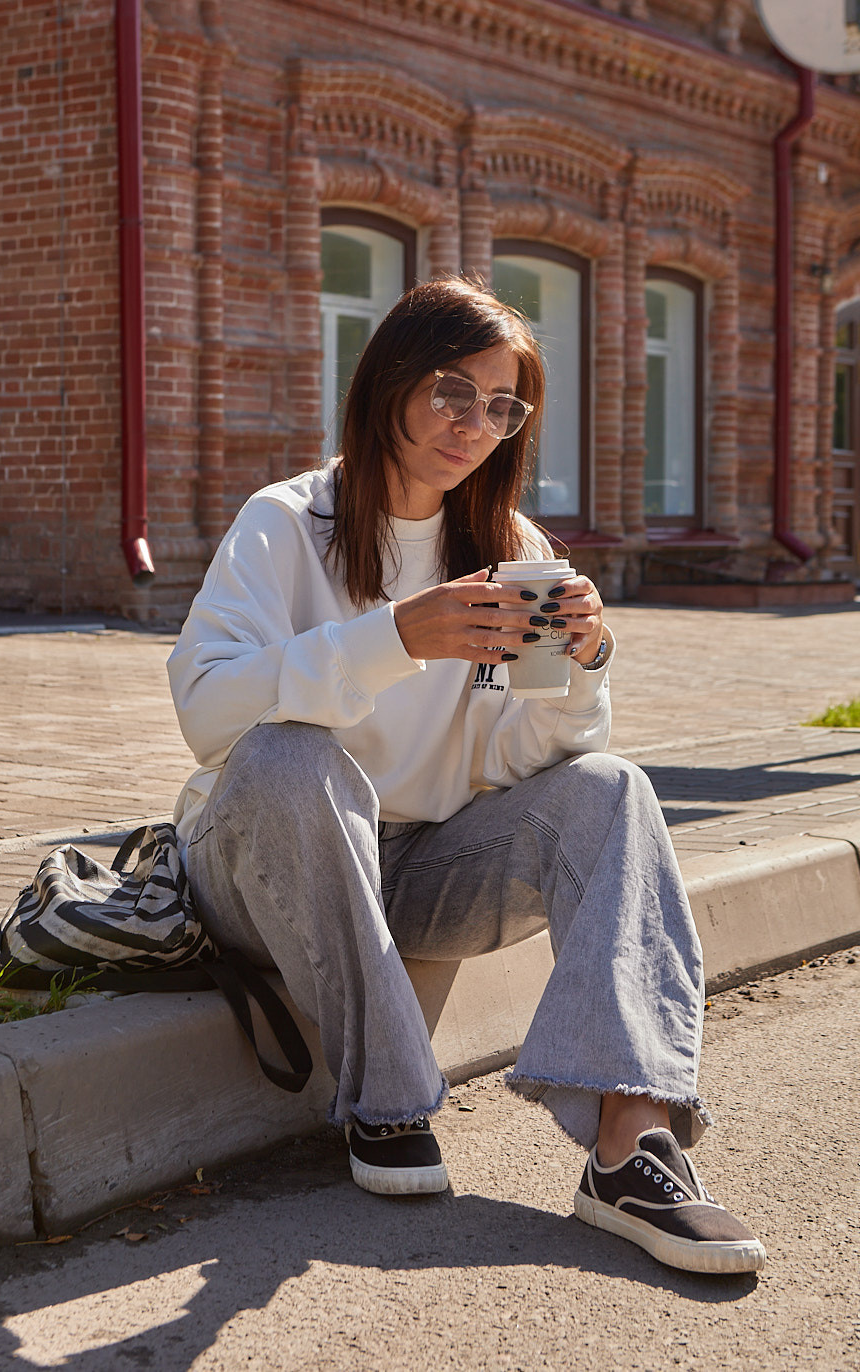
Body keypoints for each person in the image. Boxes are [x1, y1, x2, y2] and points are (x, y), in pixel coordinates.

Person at [167, 277, 765, 1276]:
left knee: (612, 789)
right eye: (452, 391)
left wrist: (584, 668)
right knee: (289, 750)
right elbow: (207, 710)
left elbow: (519, 761)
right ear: (390, 380)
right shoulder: (287, 522)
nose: (474, 425)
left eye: (501, 407)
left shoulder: (508, 551)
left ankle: (632, 1143)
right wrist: (394, 638)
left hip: (423, 867)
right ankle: (389, 1100)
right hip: (263, 861)